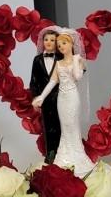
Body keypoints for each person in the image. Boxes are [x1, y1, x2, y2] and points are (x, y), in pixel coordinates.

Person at [32, 30, 93, 176]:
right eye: (59, 45)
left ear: (71, 44)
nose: (61, 47)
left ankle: (77, 158)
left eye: (63, 43)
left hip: (72, 97)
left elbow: (78, 77)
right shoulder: (58, 64)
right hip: (61, 99)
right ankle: (64, 158)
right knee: (65, 128)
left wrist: (77, 61)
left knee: (73, 126)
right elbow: (52, 82)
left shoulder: (76, 60)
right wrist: (41, 96)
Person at [28, 28, 62, 164]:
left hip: (60, 98)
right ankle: (50, 154)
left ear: (56, 43)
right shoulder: (37, 60)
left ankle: (61, 154)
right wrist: (36, 97)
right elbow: (34, 80)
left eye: (52, 40)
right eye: (46, 39)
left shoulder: (61, 58)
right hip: (45, 100)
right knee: (48, 127)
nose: (48, 42)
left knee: (61, 126)